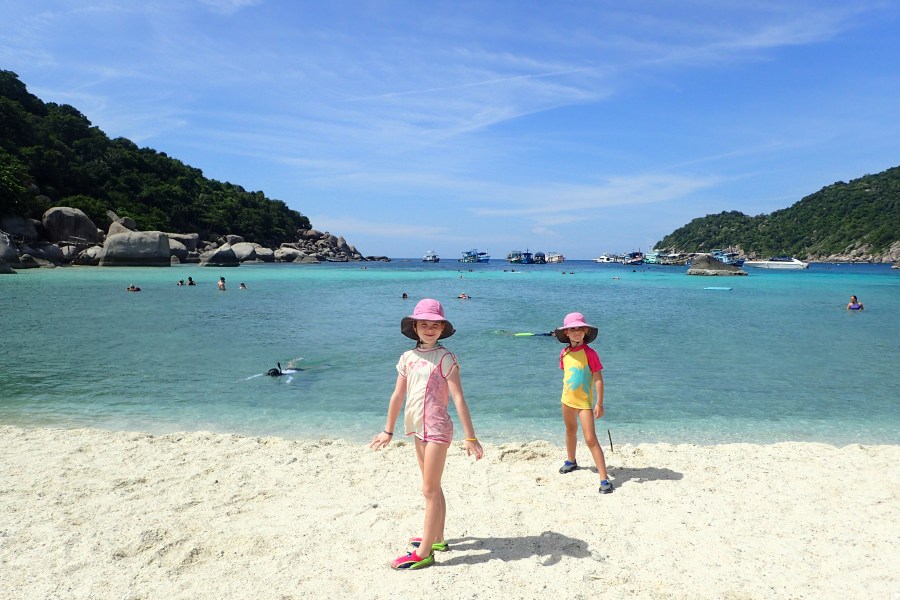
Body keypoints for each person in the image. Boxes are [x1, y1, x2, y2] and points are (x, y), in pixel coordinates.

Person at [370, 298, 483, 570]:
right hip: (417, 428)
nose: (429, 329)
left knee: (429, 490)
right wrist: (388, 430)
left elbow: (458, 398)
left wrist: (470, 436)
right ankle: (438, 538)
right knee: (432, 485)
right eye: (424, 325)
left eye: (435, 325)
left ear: (442, 328)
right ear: (415, 327)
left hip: (437, 429)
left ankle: (424, 553)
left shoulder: (446, 358)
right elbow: (398, 396)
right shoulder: (407, 358)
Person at [554, 312, 613, 494]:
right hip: (566, 400)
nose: (577, 332)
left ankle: (604, 478)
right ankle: (571, 460)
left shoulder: (590, 354)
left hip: (584, 403)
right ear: (566, 333)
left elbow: (598, 379)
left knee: (590, 439)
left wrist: (599, 403)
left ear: (586, 331)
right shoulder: (564, 353)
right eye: (573, 329)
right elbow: (567, 375)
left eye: (580, 328)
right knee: (570, 430)